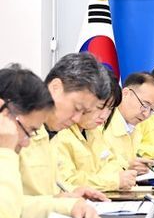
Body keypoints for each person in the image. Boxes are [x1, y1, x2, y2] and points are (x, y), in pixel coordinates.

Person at [0, 65, 108, 218]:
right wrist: (6, 152)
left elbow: (16, 207)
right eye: (77, 108)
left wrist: (67, 204)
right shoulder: (9, 146)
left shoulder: (47, 132)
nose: (26, 143)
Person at [19, 53, 111, 201]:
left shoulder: (51, 132)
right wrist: (61, 203)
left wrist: (72, 192)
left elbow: (48, 190)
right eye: (77, 108)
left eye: (84, 112)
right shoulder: (18, 129)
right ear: (55, 87)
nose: (77, 119)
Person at [55, 68, 138, 191]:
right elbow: (68, 182)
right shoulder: (60, 132)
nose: (104, 115)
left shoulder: (94, 130)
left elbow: (110, 163)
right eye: (100, 107)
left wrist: (119, 177)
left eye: (110, 109)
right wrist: (114, 181)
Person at [104, 72, 154, 173]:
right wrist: (126, 167)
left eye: (152, 109)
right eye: (145, 105)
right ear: (125, 93)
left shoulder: (134, 127)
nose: (146, 114)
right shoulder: (102, 123)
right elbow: (94, 169)